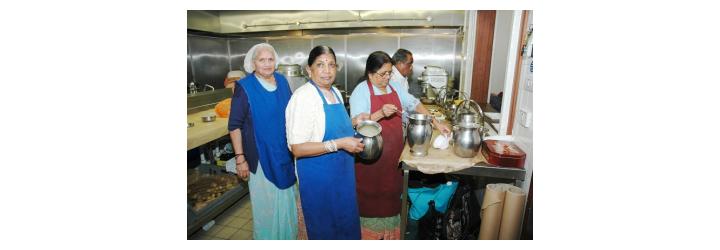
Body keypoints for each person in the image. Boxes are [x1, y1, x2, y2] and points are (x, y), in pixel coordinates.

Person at [349, 51, 451, 240]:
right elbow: (356, 124)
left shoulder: (394, 87)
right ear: (370, 74)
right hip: (371, 158)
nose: (387, 78)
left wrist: (437, 123)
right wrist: (380, 113)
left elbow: (415, 104)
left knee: (393, 197)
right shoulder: (361, 91)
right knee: (371, 199)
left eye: (389, 73)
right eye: (382, 74)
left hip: (394, 156)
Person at [285, 45, 368, 240]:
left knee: (346, 227)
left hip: (342, 177)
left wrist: (354, 121)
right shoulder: (303, 97)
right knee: (325, 232)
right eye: (320, 65)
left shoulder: (336, 93)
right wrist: (339, 144)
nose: (327, 70)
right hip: (319, 181)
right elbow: (297, 148)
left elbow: (325, 126)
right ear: (309, 69)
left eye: (331, 65)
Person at [227, 43, 298, 240]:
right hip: (260, 157)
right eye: (262, 60)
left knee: (286, 203)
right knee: (266, 208)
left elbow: (291, 113)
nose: (267, 64)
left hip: (284, 153)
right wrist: (240, 158)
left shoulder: (282, 81)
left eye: (270, 59)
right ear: (253, 63)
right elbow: (234, 125)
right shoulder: (245, 87)